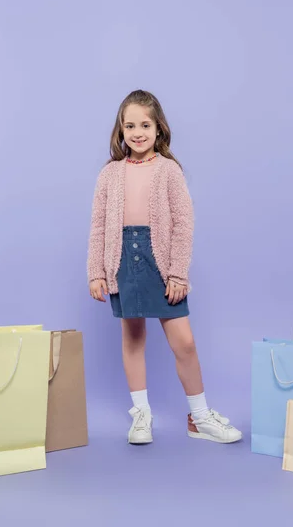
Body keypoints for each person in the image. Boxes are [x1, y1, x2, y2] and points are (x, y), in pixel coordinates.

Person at [87, 89, 242, 445]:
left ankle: (200, 416)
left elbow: (183, 223)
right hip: (122, 256)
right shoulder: (110, 174)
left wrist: (177, 272)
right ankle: (141, 414)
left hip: (160, 258)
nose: (137, 132)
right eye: (130, 125)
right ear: (120, 130)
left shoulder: (169, 170)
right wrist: (96, 271)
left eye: (145, 124)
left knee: (184, 342)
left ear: (159, 129)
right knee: (133, 337)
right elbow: (98, 225)